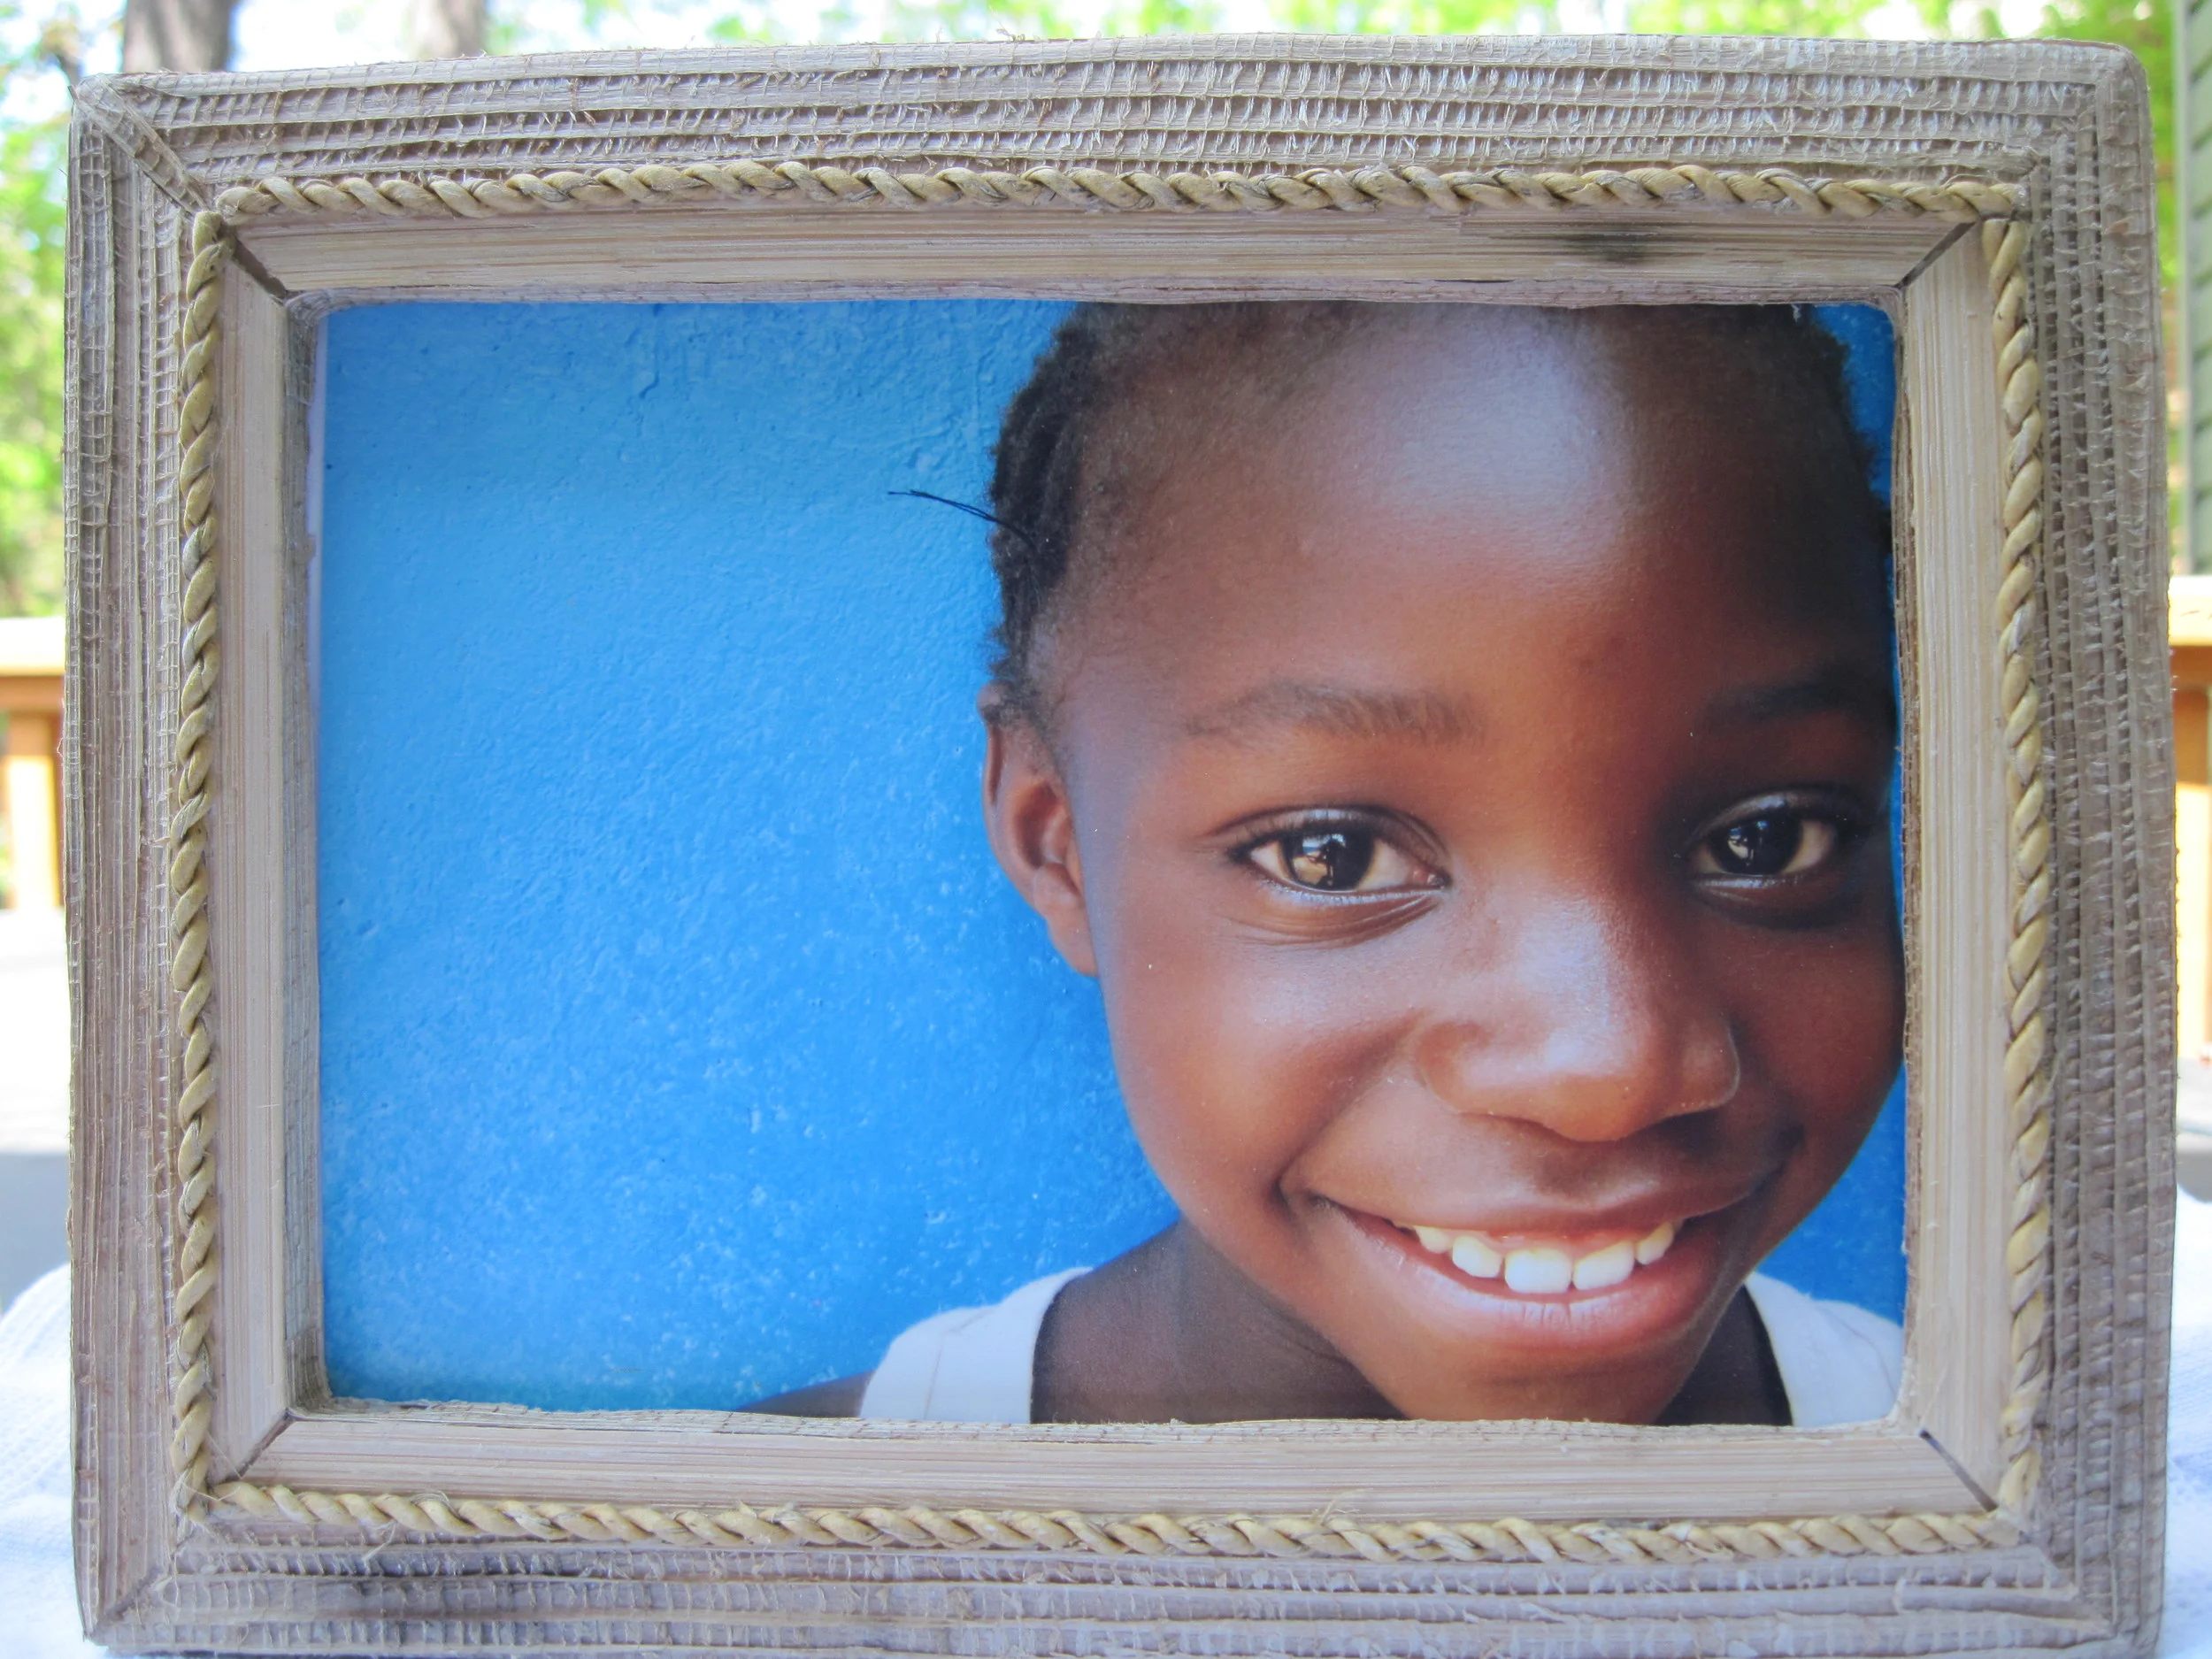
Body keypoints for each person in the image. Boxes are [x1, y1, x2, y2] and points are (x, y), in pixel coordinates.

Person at [752, 301, 1905, 1428]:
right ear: (1055, 844)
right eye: (1333, 855)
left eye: (1767, 839)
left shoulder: (2026, 1477)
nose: (1604, 1072)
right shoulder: (754, 1569)